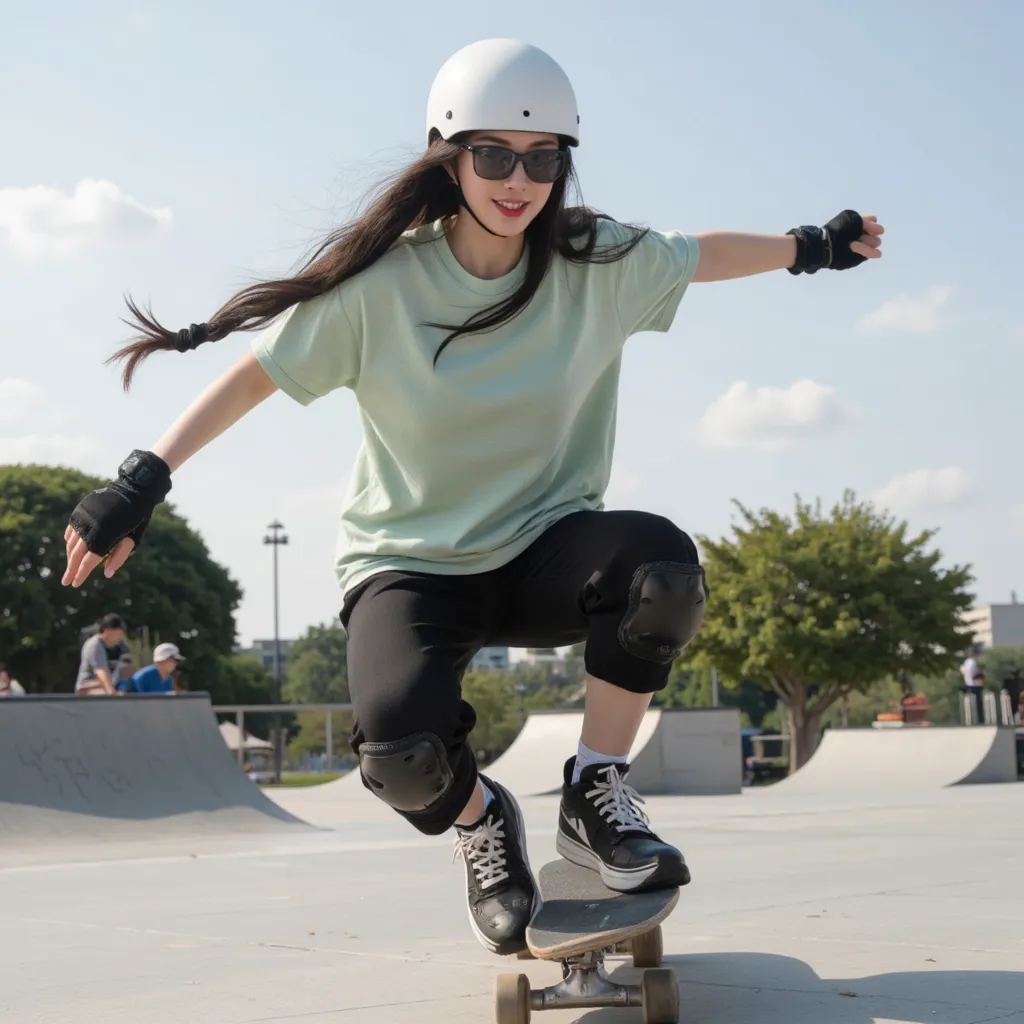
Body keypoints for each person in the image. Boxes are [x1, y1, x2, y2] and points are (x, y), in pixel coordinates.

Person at [60, 39, 884, 954]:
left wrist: (812, 247)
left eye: (543, 160)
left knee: (661, 565)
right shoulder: (381, 287)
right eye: (492, 155)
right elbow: (255, 378)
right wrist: (140, 484)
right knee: (401, 756)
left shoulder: (595, 260)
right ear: (447, 156)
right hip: (409, 565)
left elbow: (699, 254)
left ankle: (596, 789)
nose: (517, 181)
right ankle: (484, 824)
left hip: (545, 550)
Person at [75, 613, 127, 696]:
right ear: (106, 630)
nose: (119, 635)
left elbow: (127, 668)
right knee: (105, 694)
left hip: (111, 685)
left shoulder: (121, 646)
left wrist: (124, 688)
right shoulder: (95, 645)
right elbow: (101, 672)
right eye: (116, 632)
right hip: (88, 688)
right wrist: (112, 694)